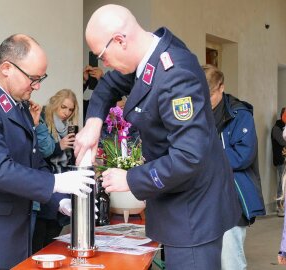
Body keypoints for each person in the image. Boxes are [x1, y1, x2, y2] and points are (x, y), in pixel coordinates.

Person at [74, 5, 241, 269]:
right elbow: (109, 85)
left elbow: (188, 156)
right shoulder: (149, 58)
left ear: (120, 40)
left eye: (102, 56)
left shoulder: (175, 75)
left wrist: (130, 178)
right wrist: (94, 122)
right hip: (176, 205)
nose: (103, 64)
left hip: (192, 213)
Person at [0, 34, 95, 270]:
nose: (37, 86)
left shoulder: (20, 108)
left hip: (16, 235)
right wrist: (56, 182)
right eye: (33, 78)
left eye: (40, 79)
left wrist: (59, 200)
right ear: (6, 68)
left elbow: (33, 161)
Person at [202, 64, 265, 270]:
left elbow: (243, 156)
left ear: (221, 87)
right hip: (203, 197)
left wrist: (203, 157)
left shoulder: (240, 114)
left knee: (230, 260)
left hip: (232, 197)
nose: (204, 100)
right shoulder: (196, 112)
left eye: (209, 94)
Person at [32, 89, 79, 253]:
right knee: (39, 243)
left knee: (53, 243)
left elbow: (69, 159)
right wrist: (60, 146)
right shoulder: (42, 121)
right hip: (45, 184)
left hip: (64, 186)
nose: (66, 112)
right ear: (54, 104)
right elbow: (42, 152)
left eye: (70, 109)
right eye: (63, 107)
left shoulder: (69, 128)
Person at [271, 107, 286, 217]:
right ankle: (279, 207)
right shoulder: (277, 128)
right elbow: (282, 142)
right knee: (281, 183)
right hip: (281, 160)